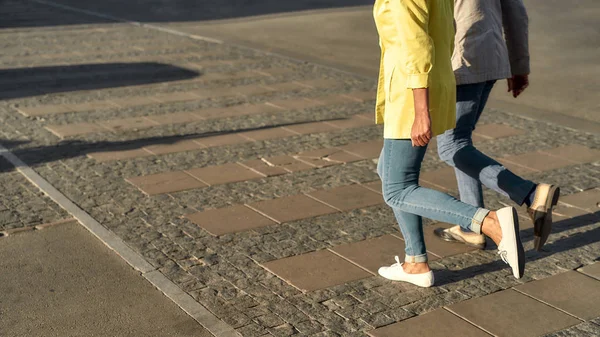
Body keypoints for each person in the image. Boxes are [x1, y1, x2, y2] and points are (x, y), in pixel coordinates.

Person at [373, 0, 524, 288]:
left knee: (397, 188)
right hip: (434, 83)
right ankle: (415, 261)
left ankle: (488, 222)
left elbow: (416, 46)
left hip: (411, 93)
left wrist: (420, 110)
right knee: (388, 170)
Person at [433, 0, 560, 251]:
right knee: (461, 143)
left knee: (450, 146)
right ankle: (472, 226)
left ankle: (532, 194)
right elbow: (516, 15)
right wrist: (518, 66)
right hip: (490, 56)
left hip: (460, 60)